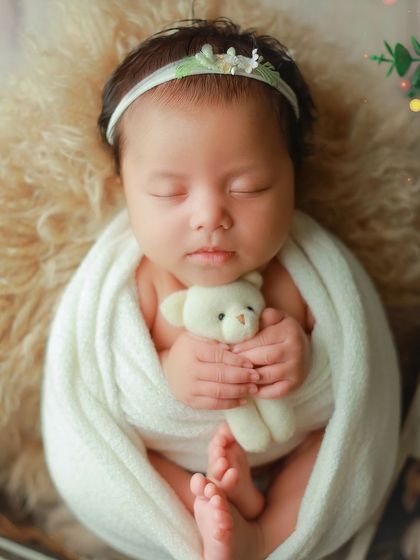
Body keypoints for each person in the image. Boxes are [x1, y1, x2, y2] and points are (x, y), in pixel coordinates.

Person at [97, 18, 325, 560]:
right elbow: (110, 386)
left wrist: (302, 356)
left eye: (248, 187)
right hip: (179, 459)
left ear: (294, 177)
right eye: (169, 192)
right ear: (125, 192)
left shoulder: (299, 273)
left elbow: (349, 362)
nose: (210, 217)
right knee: (129, 467)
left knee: (331, 451)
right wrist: (166, 371)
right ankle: (210, 524)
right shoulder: (140, 286)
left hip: (288, 449)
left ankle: (266, 534)